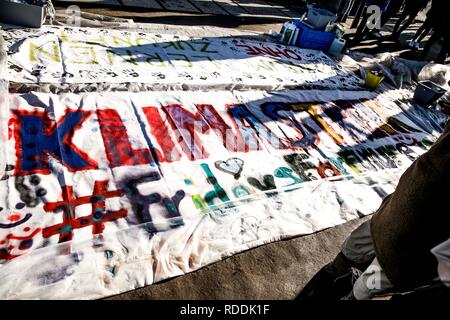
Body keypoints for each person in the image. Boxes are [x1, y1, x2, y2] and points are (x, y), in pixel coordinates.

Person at [297, 119, 450, 300]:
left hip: (414, 222)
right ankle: (333, 285)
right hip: (410, 214)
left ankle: (338, 287)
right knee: (363, 262)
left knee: (367, 274)